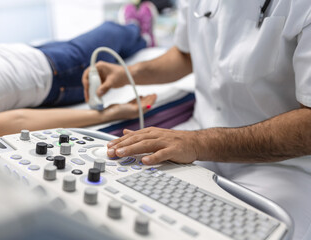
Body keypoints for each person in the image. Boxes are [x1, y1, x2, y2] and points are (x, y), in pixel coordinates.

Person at [82, 1, 311, 239]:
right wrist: (129, 73)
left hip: (285, 166)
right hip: (198, 137)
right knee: (120, 203)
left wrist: (199, 143)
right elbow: (185, 53)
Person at [0, 19, 157, 143]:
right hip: (56, 73)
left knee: (117, 43)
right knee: (112, 31)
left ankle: (139, 40)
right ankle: (140, 31)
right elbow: (19, 121)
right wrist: (111, 113)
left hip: (20, 52)